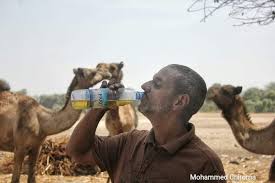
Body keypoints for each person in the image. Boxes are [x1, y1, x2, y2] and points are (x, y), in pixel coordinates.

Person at [66, 64, 226, 183]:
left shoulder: (205, 164)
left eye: (156, 84)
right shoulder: (128, 142)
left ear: (179, 101)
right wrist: (100, 107)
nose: (144, 86)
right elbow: (77, 152)